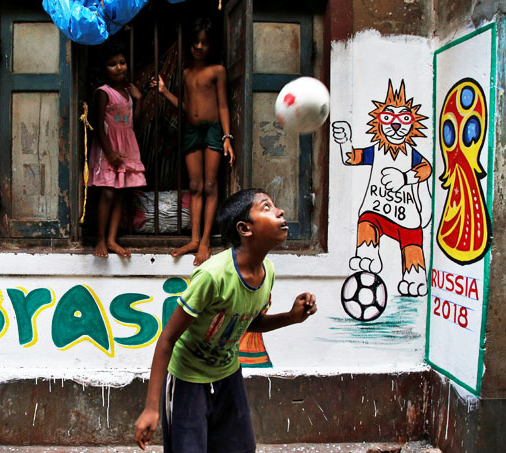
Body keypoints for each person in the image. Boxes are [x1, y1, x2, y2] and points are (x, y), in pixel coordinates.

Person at [134, 188, 317, 452]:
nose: (280, 211)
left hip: (228, 376)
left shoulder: (269, 273)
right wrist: (151, 408)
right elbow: (168, 339)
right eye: (266, 207)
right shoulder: (212, 277)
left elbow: (246, 322)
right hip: (189, 381)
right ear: (245, 228)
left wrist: (291, 317)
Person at [152, 18, 235, 266]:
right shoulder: (187, 73)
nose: (199, 47)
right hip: (191, 129)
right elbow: (187, 108)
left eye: (204, 43)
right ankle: (194, 239)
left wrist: (227, 137)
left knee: (210, 185)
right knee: (195, 185)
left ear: (212, 46)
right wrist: (166, 93)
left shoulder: (217, 70)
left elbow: (222, 105)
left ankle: (206, 241)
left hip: (213, 130)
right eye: (196, 43)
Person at [88, 39, 146, 258]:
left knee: (121, 193)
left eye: (122, 62)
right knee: (108, 193)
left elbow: (134, 123)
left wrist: (139, 100)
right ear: (105, 68)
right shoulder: (103, 92)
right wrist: (110, 153)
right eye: (113, 64)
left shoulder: (129, 92)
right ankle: (100, 240)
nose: (119, 67)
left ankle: (112, 239)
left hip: (127, 146)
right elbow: (98, 126)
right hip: (109, 148)